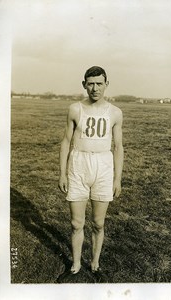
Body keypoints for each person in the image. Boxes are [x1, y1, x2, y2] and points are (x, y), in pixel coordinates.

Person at [58, 66, 123, 274]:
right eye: (91, 83)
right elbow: (66, 141)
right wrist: (62, 173)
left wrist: (117, 179)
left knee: (98, 222)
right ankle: (76, 262)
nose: (95, 88)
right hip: (78, 166)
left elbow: (118, 147)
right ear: (84, 84)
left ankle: (95, 261)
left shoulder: (115, 112)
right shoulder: (75, 109)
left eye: (99, 83)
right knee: (77, 223)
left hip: (103, 167)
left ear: (106, 84)